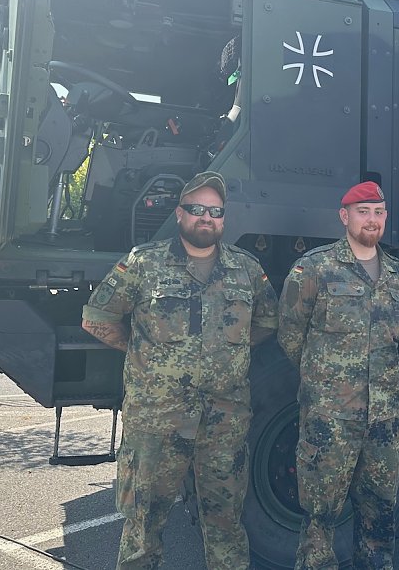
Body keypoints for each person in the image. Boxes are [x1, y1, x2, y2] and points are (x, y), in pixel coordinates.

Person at [81, 171, 278, 570]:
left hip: (224, 421)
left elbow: (267, 322)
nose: (206, 217)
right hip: (157, 418)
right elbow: (97, 317)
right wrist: (142, 353)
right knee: (143, 525)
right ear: (179, 213)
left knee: (225, 525)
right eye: (196, 209)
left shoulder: (246, 269)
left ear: (223, 218)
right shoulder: (143, 262)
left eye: (215, 211)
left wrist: (229, 354)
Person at [278, 181, 399, 570]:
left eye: (378, 212)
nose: (371, 220)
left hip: (383, 419)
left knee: (379, 513)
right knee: (320, 515)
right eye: (363, 211)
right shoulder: (315, 267)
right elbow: (290, 332)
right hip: (330, 418)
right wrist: (323, 382)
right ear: (345, 216)